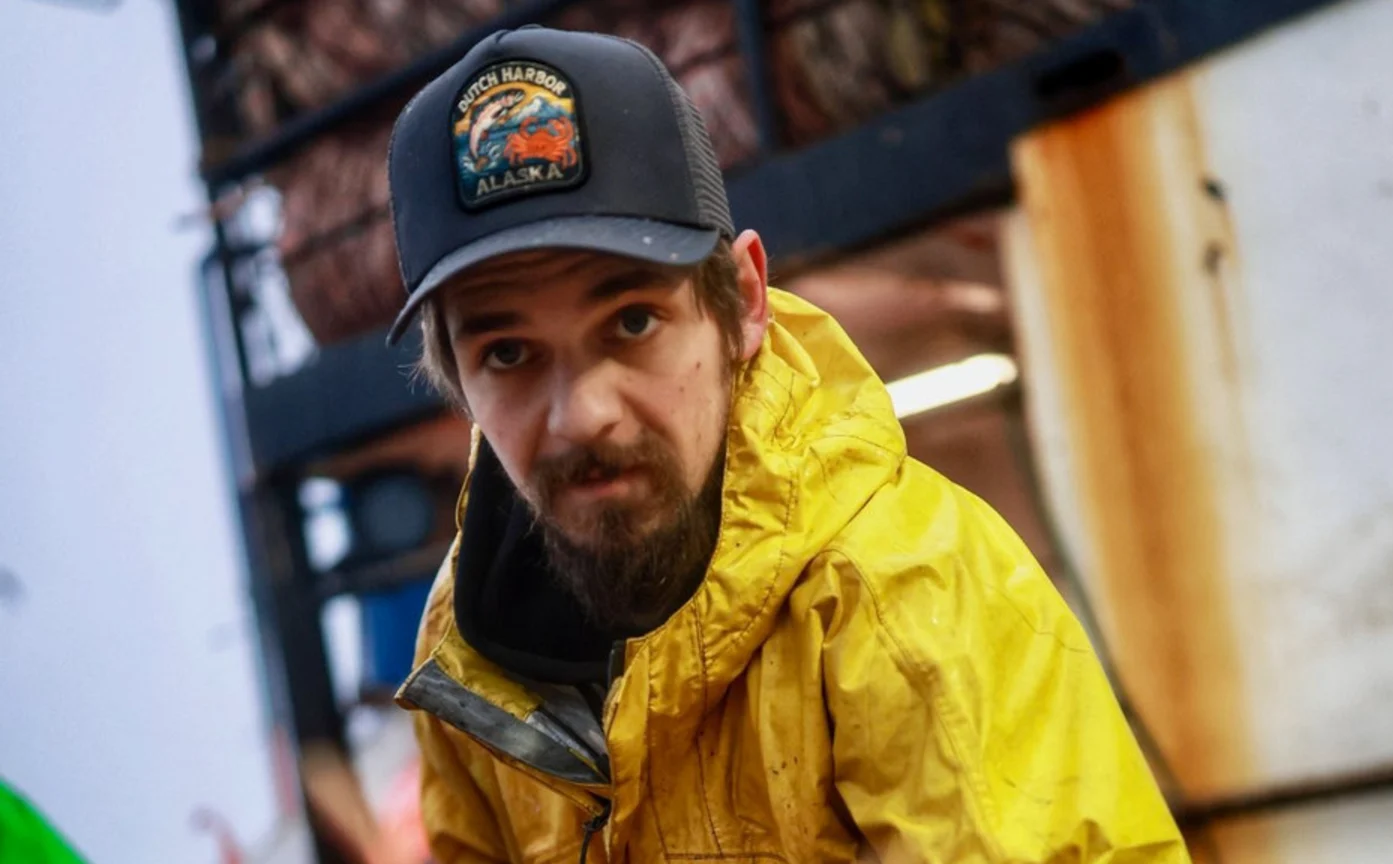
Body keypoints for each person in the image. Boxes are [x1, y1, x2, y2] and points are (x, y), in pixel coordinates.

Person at [385, 25, 1189, 864]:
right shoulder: (467, 647)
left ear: (744, 300)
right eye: (507, 354)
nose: (583, 414)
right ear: (458, 385)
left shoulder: (902, 591)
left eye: (632, 322)